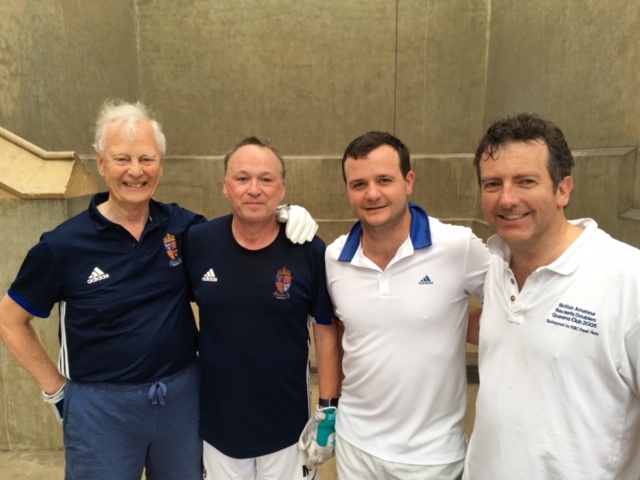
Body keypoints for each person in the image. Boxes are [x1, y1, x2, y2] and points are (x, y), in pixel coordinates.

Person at [0, 101, 318, 480]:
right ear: (101, 164)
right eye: (122, 159)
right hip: (103, 407)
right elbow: (9, 319)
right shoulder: (63, 245)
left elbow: (241, 230)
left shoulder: (183, 229)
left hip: (181, 401)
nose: (135, 171)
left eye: (146, 159)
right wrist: (56, 391)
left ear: (160, 166)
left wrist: (286, 214)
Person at [464, 113, 640, 479]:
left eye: (526, 181)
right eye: (493, 183)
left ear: (563, 189)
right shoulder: (496, 263)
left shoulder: (627, 279)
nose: (507, 198)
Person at [325, 131, 492, 480]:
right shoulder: (334, 257)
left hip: (432, 458)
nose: (372, 194)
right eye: (358, 184)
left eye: (384, 180)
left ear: (408, 181)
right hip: (355, 448)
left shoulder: (458, 247)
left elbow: (512, 306)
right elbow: (342, 333)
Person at [184, 136, 341, 480]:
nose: (254, 189)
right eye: (242, 179)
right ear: (226, 187)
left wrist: (328, 409)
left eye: (266, 179)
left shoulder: (308, 250)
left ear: (282, 189)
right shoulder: (197, 242)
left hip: (288, 432)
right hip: (219, 431)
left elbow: (326, 329)